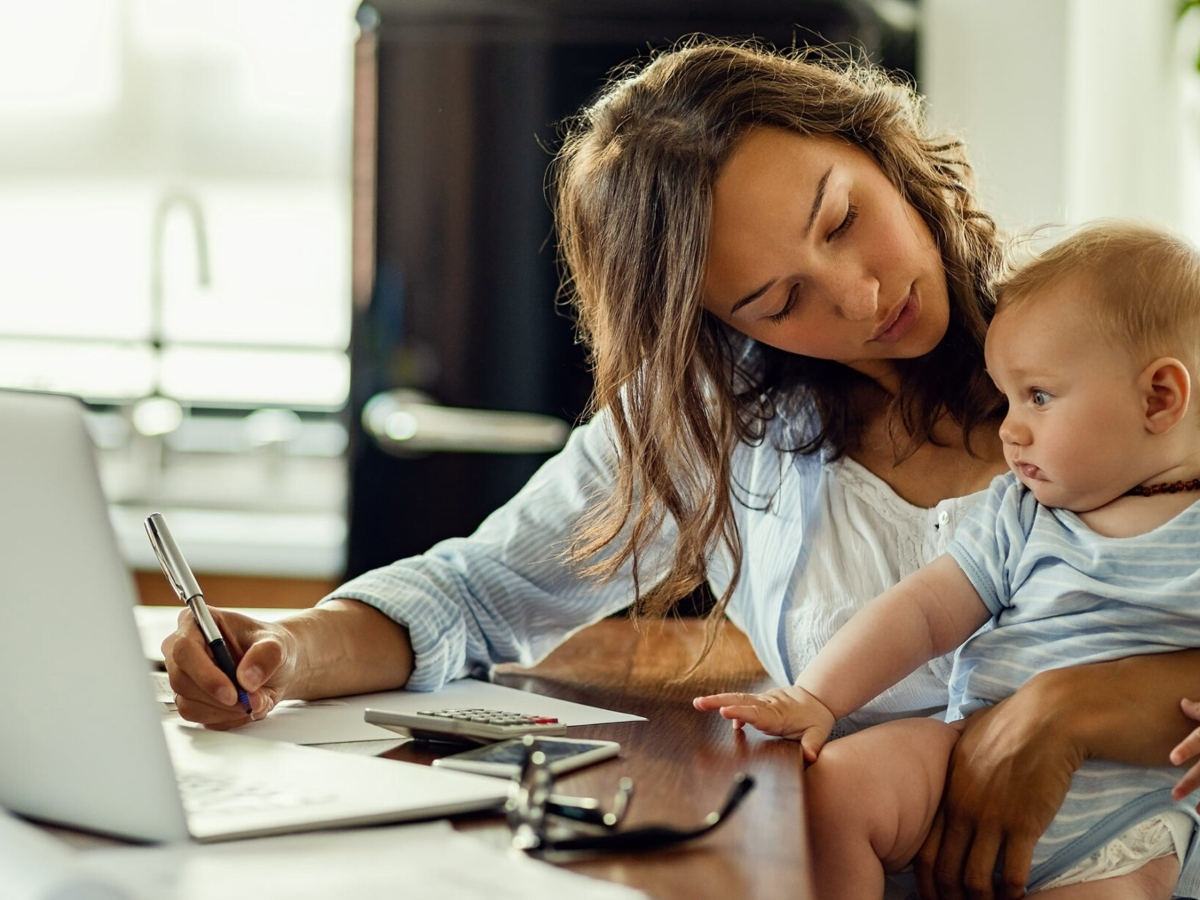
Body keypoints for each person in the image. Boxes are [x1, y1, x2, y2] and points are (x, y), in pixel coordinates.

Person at [161, 40, 1200, 898]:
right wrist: (287, 652)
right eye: (775, 300)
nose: (857, 293)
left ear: (874, 145)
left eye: (841, 216)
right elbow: (474, 595)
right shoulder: (719, 420)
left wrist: (1073, 706)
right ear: (720, 325)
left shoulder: (1104, 352)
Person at [694, 221, 1200, 897]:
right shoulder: (1021, 515)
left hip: (1123, 824)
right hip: (968, 752)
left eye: (1039, 396)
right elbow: (925, 610)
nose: (1011, 428)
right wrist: (816, 696)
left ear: (1159, 397)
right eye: (1008, 397)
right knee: (836, 787)